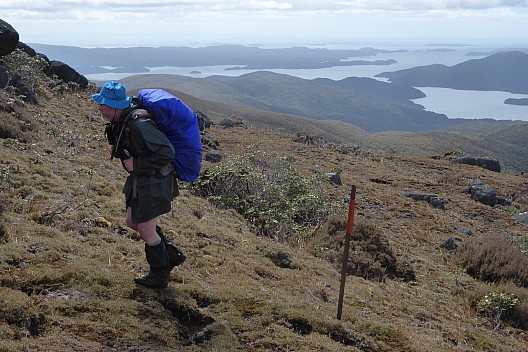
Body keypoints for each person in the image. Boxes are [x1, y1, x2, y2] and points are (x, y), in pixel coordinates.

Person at [92, 81, 180, 289]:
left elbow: (167, 153)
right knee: (132, 221)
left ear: (115, 106)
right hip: (142, 179)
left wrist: (136, 163)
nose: (99, 108)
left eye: (103, 104)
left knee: (146, 229)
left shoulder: (141, 124)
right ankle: (170, 256)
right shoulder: (123, 121)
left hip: (155, 181)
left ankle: (159, 276)